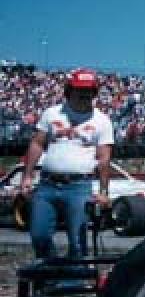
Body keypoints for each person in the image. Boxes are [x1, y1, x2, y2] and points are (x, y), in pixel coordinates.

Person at [18, 68, 114, 259]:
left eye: (88, 90)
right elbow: (37, 144)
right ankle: (50, 270)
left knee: (78, 241)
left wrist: (104, 192)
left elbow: (104, 158)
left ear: (94, 93)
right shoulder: (51, 114)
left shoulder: (102, 121)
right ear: (69, 91)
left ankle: (75, 275)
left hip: (79, 186)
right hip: (47, 184)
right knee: (39, 235)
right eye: (79, 90)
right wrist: (27, 176)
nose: (84, 94)